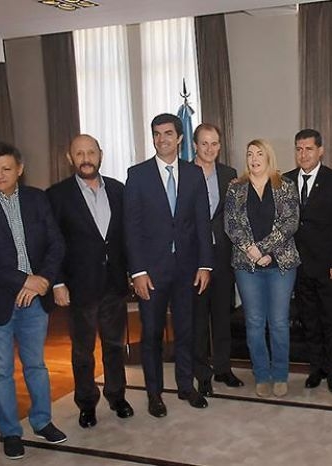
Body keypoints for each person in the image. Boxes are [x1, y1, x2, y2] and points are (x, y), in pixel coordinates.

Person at [0, 142, 67, 459]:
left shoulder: (37, 198)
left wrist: (43, 280)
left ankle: (42, 421)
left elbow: (56, 244)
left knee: (36, 365)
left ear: (20, 169)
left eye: (6, 169)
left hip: (34, 301)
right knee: (1, 372)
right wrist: (23, 280)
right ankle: (10, 432)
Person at [125, 113, 214, 417]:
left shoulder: (194, 174)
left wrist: (205, 265)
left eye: (167, 133)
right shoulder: (138, 175)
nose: (161, 139)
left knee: (186, 330)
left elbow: (202, 223)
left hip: (188, 270)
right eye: (156, 134)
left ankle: (186, 386)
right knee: (151, 334)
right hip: (151, 272)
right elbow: (132, 228)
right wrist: (137, 271)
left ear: (180, 138)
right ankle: (154, 394)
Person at [46, 134, 133, 430]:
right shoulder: (57, 195)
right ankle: (86, 403)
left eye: (91, 152)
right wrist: (57, 282)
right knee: (83, 351)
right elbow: (52, 242)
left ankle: (117, 396)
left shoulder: (119, 190)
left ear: (100, 155)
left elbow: (126, 237)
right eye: (79, 153)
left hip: (114, 284)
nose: (86, 159)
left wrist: (133, 272)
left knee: (114, 346)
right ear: (69, 158)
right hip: (79, 286)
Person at [224, 139, 300, 398]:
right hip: (247, 266)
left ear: (268, 157)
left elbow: (290, 222)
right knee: (255, 323)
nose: (254, 158)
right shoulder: (236, 188)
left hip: (281, 265)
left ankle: (280, 375)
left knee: (278, 322)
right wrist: (252, 251)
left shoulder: (285, 185)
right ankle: (262, 375)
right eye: (249, 154)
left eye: (259, 153)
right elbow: (231, 224)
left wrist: (264, 249)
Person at [284, 129, 332, 393]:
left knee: (331, 322)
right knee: (309, 321)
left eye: (309, 149)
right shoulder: (286, 180)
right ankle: (316, 369)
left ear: (320, 151)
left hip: (328, 266)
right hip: (298, 266)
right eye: (299, 149)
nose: (303, 154)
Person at [190, 123, 242, 395]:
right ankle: (202, 374)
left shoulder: (229, 174)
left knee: (222, 316)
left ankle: (223, 368)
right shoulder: (184, 173)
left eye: (214, 143)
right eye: (204, 143)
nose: (209, 149)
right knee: (198, 320)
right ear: (194, 146)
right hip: (194, 257)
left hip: (222, 256)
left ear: (220, 146)